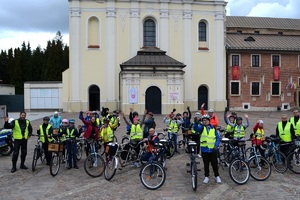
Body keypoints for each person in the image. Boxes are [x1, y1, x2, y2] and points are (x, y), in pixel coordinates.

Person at [193, 114, 221, 184]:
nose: (205, 122)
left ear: (209, 121)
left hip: (213, 149)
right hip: (205, 150)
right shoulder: (201, 128)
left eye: (206, 120)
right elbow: (195, 128)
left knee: (214, 164)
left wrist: (216, 145)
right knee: (206, 164)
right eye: (204, 120)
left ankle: (217, 176)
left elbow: (217, 138)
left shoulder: (213, 129)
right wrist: (196, 122)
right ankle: (206, 176)